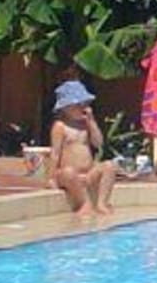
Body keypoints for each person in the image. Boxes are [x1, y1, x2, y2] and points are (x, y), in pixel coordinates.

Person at [48, 79, 117, 219]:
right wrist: (51, 177)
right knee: (68, 172)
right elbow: (55, 153)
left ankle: (101, 203)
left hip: (88, 173)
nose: (83, 108)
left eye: (85, 104)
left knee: (109, 166)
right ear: (65, 108)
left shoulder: (85, 125)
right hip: (69, 175)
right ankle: (84, 203)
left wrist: (92, 122)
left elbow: (98, 143)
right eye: (78, 105)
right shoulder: (60, 127)